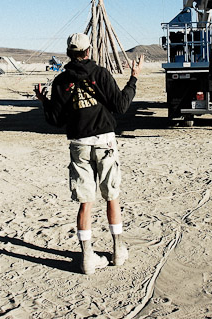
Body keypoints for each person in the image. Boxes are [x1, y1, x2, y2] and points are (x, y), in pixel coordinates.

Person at [34, 33, 143, 274]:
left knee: (86, 201)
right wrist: (133, 79)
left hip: (79, 144)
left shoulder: (61, 81)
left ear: (68, 53)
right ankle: (117, 250)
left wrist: (44, 100)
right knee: (111, 196)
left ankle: (87, 257)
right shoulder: (101, 74)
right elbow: (121, 105)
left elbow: (55, 119)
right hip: (104, 141)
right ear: (88, 51)